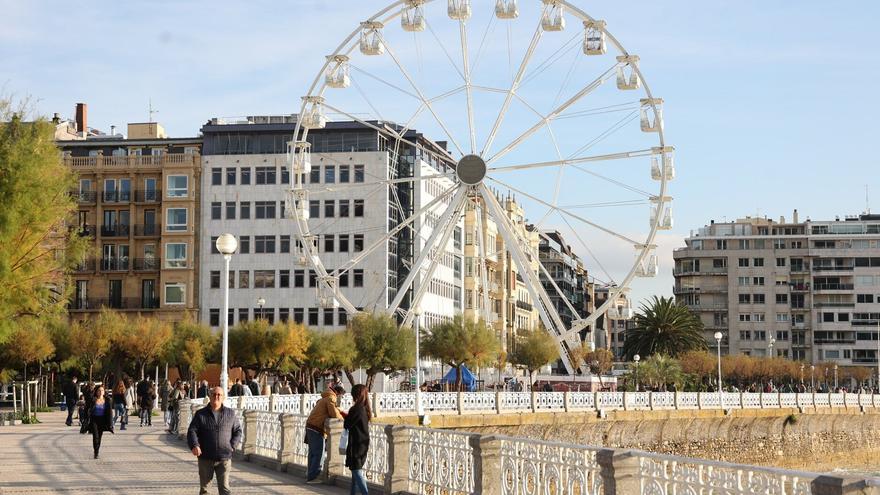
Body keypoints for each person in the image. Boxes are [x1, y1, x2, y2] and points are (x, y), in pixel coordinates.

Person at [187, 387, 242, 495]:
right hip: (205, 457)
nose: (216, 397)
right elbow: (192, 431)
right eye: (214, 394)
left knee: (225, 489)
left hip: (224, 457)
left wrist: (232, 445)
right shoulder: (201, 414)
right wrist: (195, 445)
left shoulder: (230, 414)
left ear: (223, 398)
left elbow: (238, 431)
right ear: (210, 397)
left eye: (219, 395)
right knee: (205, 490)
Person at [304, 385, 345, 483]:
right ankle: (313, 477)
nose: (340, 398)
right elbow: (334, 414)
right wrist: (343, 417)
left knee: (313, 453)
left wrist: (338, 410)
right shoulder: (331, 398)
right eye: (341, 396)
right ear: (338, 393)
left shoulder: (325, 397)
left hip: (311, 425)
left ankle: (310, 474)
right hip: (317, 428)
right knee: (319, 454)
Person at [344, 384, 372, 494]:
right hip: (363, 443)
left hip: (356, 444)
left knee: (356, 472)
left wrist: (344, 415)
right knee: (355, 474)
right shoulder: (364, 409)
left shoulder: (356, 409)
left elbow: (347, 424)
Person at [88, 384, 114, 459]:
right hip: (94, 420)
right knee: (95, 436)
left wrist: (110, 424)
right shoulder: (93, 399)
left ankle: (97, 449)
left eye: (102, 390)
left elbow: (110, 413)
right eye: (99, 390)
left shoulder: (107, 400)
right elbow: (88, 409)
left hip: (103, 420)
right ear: (96, 392)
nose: (101, 392)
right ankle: (96, 452)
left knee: (99, 436)